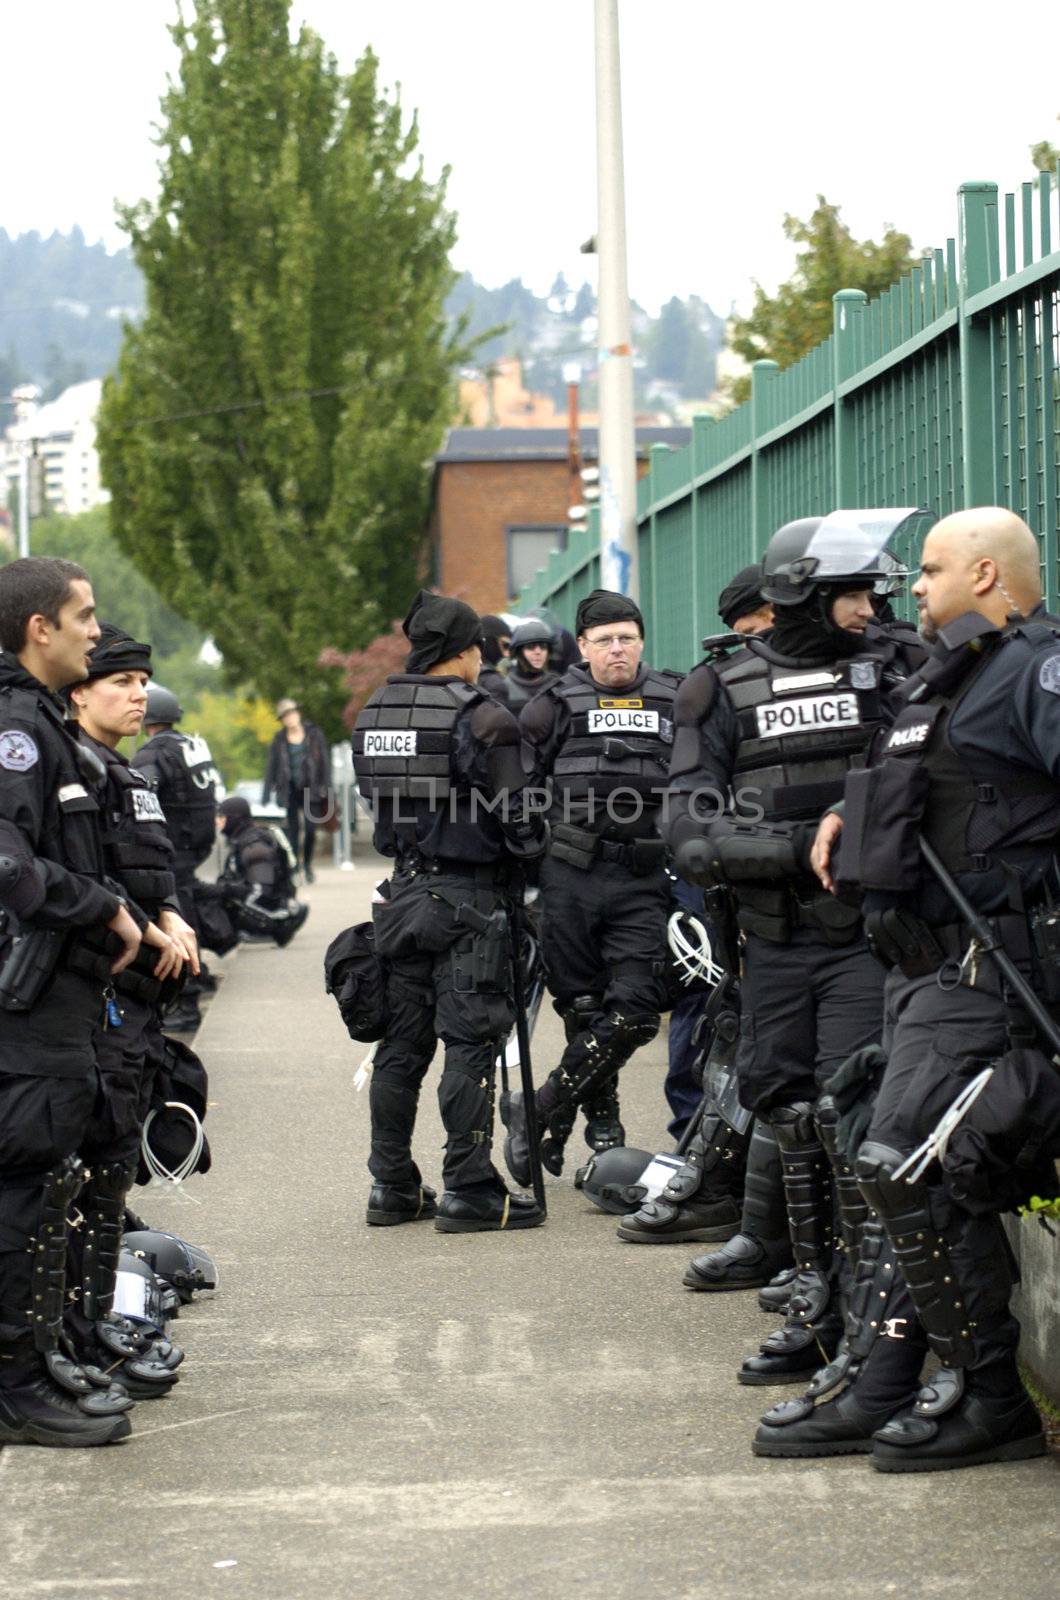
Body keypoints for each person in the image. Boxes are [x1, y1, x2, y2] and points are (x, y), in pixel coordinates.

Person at [756, 507, 1059, 1469]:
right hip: (925, 971)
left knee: (906, 1161)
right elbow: (934, 778)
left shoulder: (1037, 669)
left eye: (927, 571)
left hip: (994, 979)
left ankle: (987, 1393)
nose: (909, 589)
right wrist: (852, 815)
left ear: (983, 574)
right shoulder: (954, 669)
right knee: (864, 1144)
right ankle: (883, 1369)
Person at [665, 511, 922, 1388]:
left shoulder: (895, 669)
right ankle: (813, 1293)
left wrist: (842, 845)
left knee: (850, 1110)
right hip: (771, 940)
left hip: (863, 937)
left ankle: (864, 1322)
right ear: (806, 592)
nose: (871, 607)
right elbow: (688, 833)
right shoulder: (717, 688)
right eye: (856, 593)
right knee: (786, 1104)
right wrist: (803, 845)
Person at [0, 558, 154, 1447]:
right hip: (28, 998)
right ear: (39, 630)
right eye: (85, 617)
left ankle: (40, 1354)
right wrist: (100, 908)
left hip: (61, 993)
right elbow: (11, 865)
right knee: (25, 1183)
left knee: (49, 1175)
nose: (98, 632)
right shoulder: (16, 730)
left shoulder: (42, 724)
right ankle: (16, 1386)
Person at [351, 590, 547, 1233]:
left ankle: (391, 1186)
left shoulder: (378, 710)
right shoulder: (482, 716)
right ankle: (469, 1189)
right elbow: (521, 818)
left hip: (402, 894)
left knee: (402, 1045)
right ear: (466, 652)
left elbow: (375, 804)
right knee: (470, 1043)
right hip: (469, 898)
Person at [503, 589, 680, 1183]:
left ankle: (543, 1107)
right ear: (582, 647)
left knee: (633, 1013)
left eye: (627, 637)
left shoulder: (673, 698)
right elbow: (522, 794)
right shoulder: (552, 706)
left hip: (642, 878)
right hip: (571, 876)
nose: (617, 650)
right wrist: (528, 875)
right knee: (582, 1007)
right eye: (604, 640)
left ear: (642, 640)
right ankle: (606, 1129)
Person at [65, 622, 197, 1398]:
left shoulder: (129, 773)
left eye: (144, 682)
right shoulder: (72, 771)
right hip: (102, 991)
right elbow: (87, 878)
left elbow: (156, 863)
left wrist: (174, 911)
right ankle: (84, 1324)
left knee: (117, 1158)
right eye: (122, 682)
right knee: (91, 1162)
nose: (140, 694)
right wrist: (144, 928)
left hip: (145, 993)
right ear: (80, 690)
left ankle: (98, 1313)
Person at [132, 685, 221, 1033]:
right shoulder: (193, 746)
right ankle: (203, 976)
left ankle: (187, 1000)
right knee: (189, 909)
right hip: (197, 846)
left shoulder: (151, 755)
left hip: (171, 847)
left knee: (176, 917)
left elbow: (142, 796)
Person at [215, 795, 308, 946]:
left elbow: (261, 891)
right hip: (272, 903)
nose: (217, 821)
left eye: (221, 816)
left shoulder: (254, 846)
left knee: (222, 896)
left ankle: (278, 928)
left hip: (275, 908)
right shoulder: (244, 839)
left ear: (234, 818)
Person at [262, 698, 331, 883]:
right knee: (293, 832)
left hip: (311, 789)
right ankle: (295, 866)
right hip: (289, 790)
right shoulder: (279, 739)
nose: (289, 718)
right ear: (282, 720)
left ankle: (307, 864)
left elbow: (324, 761)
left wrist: (328, 787)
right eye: (285, 716)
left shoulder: (314, 734)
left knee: (310, 830)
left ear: (298, 714)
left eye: (291, 714)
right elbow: (272, 766)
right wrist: (266, 792)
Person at [504, 617, 561, 709]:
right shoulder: (505, 688)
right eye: (530, 647)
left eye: (543, 647)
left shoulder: (556, 684)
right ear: (518, 652)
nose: (538, 652)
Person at [477, 615, 512, 705]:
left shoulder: (461, 674)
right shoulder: (493, 683)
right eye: (505, 645)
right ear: (489, 641)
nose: (506, 654)